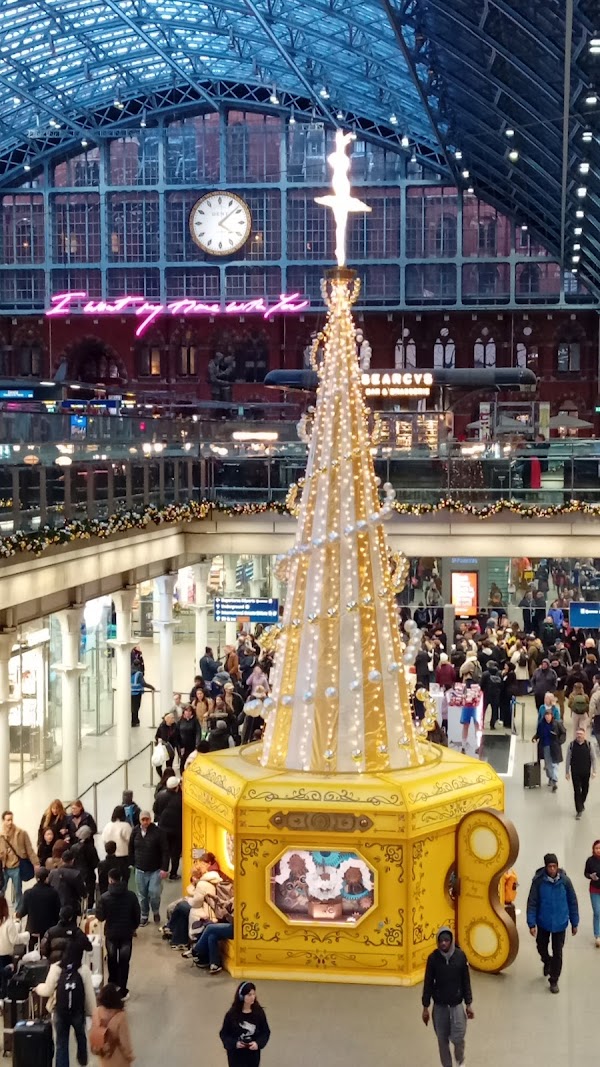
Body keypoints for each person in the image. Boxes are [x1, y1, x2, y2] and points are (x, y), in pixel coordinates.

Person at [35, 941, 96, 1067]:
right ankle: (83, 1060)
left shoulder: (56, 967)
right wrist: (93, 1014)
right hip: (78, 1011)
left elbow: (47, 990)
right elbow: (89, 994)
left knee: (61, 1043)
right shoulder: (83, 969)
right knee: (81, 1036)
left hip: (60, 1012)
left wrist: (37, 988)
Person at [526, 852, 579, 994]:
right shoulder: (538, 882)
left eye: (555, 866)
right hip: (543, 922)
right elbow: (532, 903)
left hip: (560, 923)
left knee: (558, 953)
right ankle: (546, 960)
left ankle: (554, 979)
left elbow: (572, 901)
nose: (552, 869)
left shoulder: (565, 882)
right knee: (541, 946)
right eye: (550, 866)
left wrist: (575, 922)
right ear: (546, 867)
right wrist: (531, 924)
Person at [421, 927, 473, 1067]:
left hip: (456, 1006)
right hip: (439, 1007)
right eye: (440, 941)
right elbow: (428, 983)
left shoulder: (460, 956)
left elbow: (466, 981)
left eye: (446, 940)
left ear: (451, 941)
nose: (443, 943)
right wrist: (425, 1007)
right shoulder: (433, 959)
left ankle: (460, 1059)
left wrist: (468, 1004)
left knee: (458, 1037)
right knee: (442, 1040)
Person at [96, 870, 140, 1001]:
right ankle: (123, 990)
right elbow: (136, 915)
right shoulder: (131, 896)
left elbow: (100, 916)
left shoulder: (104, 897)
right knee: (124, 962)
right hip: (126, 933)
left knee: (112, 960)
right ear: (121, 879)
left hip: (111, 933)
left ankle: (112, 987)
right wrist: (133, 927)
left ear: (110, 880)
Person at [168, 852, 224, 950]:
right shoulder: (210, 877)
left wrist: (191, 893)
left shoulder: (203, 883)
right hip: (205, 906)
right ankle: (177, 939)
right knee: (181, 909)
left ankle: (171, 929)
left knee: (181, 907)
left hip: (205, 910)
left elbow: (196, 903)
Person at [128, 811, 169, 927]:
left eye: (147, 819)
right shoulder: (135, 831)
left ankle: (155, 911)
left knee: (154, 892)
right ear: (140, 820)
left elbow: (165, 851)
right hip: (140, 869)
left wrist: (164, 868)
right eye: (143, 820)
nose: (145, 822)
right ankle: (144, 915)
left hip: (155, 870)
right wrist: (131, 863)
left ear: (150, 819)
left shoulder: (158, 832)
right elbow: (131, 847)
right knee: (142, 894)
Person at [219, 981, 270, 1067]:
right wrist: (235, 1043)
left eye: (253, 994)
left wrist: (258, 1044)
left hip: (252, 1056)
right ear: (241, 997)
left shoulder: (259, 1013)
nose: (252, 997)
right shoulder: (231, 1014)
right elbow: (224, 1034)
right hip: (236, 1056)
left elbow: (265, 1032)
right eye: (249, 995)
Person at [0, 809, 39, 910]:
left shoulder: (21, 833)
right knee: (1, 889)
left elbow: (29, 849)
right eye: (8, 820)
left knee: (18, 890)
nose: (10, 822)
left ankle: (18, 911)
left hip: (16, 866)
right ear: (3, 821)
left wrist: (36, 863)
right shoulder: (1, 836)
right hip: (4, 867)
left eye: (11, 819)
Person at [89, 983, 135, 1067]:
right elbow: (125, 1041)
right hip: (119, 1059)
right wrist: (130, 1056)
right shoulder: (120, 1016)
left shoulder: (96, 1012)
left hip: (104, 1057)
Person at [16, 866, 61, 946]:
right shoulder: (53, 893)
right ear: (47, 878)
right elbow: (58, 911)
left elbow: (23, 911)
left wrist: (17, 915)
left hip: (33, 929)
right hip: (49, 929)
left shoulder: (28, 893)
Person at [152, 777, 182, 880]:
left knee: (164, 850)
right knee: (175, 852)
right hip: (176, 830)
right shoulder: (181, 799)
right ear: (176, 787)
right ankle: (173, 873)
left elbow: (155, 809)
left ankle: (163, 869)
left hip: (162, 828)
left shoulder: (160, 795)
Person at [565, 726, 596, 819]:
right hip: (575, 772)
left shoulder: (589, 745)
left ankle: (581, 803)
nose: (579, 735)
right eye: (577, 734)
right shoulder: (571, 745)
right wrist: (567, 772)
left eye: (581, 734)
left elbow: (593, 758)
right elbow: (567, 759)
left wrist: (594, 771)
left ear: (584, 735)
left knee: (585, 789)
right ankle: (578, 810)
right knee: (577, 791)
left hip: (586, 772)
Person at [533, 707, 566, 791]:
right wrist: (535, 737)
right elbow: (538, 733)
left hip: (555, 746)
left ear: (552, 716)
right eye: (546, 715)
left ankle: (554, 780)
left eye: (549, 715)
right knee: (548, 764)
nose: (548, 717)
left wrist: (560, 741)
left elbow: (563, 733)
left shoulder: (557, 724)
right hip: (545, 746)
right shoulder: (541, 724)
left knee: (555, 764)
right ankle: (551, 777)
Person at [48, 849, 87, 913]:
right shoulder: (76, 874)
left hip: (54, 905)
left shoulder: (53, 873)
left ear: (61, 860)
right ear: (73, 860)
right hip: (70, 907)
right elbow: (82, 892)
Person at [102, 807, 133, 884]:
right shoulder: (125, 826)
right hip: (123, 856)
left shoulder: (108, 825)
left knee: (112, 879)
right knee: (124, 879)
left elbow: (104, 839)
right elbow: (131, 840)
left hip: (110, 856)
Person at [71, 826, 99, 906]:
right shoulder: (91, 848)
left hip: (76, 874)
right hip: (89, 874)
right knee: (89, 894)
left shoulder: (73, 848)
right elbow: (95, 863)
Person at [0, 893, 19, 996]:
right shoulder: (8, 923)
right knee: (5, 983)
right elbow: (14, 939)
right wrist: (26, 935)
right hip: (6, 955)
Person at [584, 839, 600, 947]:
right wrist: (590, 876)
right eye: (597, 848)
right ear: (593, 849)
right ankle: (597, 935)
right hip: (594, 889)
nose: (599, 850)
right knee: (597, 912)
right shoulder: (590, 861)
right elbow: (585, 873)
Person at [130, 660, 155, 727]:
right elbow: (143, 683)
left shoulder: (128, 672)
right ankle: (134, 721)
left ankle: (133, 720)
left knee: (132, 707)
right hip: (137, 693)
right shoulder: (139, 673)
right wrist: (151, 687)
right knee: (136, 707)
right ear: (138, 665)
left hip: (130, 693)